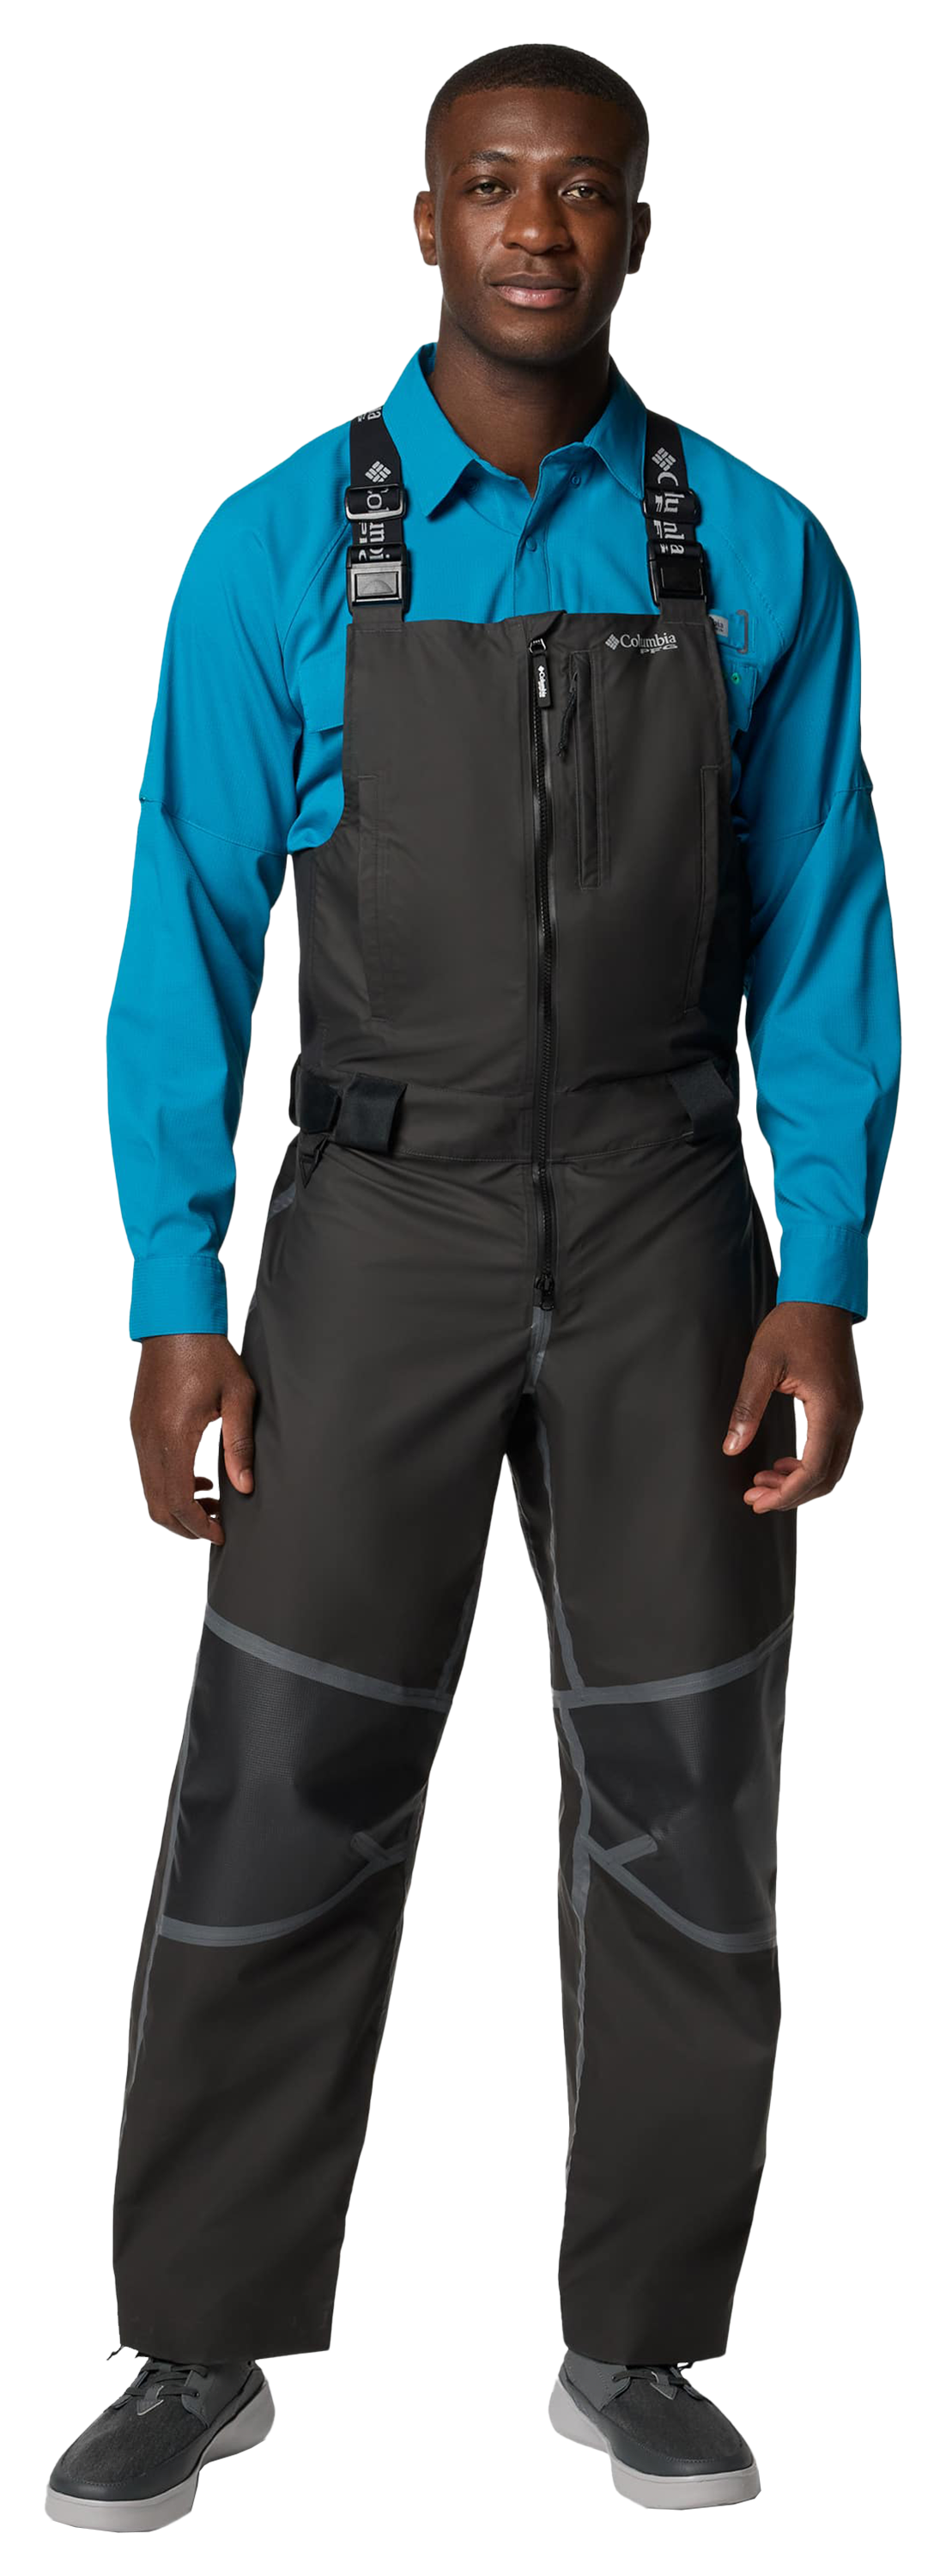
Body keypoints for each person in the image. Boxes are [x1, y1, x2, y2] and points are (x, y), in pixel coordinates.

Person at [45, 41, 901, 2533]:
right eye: (495, 186)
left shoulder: (755, 552)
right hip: (374, 1233)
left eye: (586, 189)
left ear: (636, 231)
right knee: (284, 1776)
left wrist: (821, 1269)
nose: (540, 227)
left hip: (665, 1231)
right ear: (423, 223)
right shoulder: (273, 554)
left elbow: (824, 930)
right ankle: (199, 2341)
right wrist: (172, 1298)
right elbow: (181, 937)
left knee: (683, 1790)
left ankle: (640, 2345)